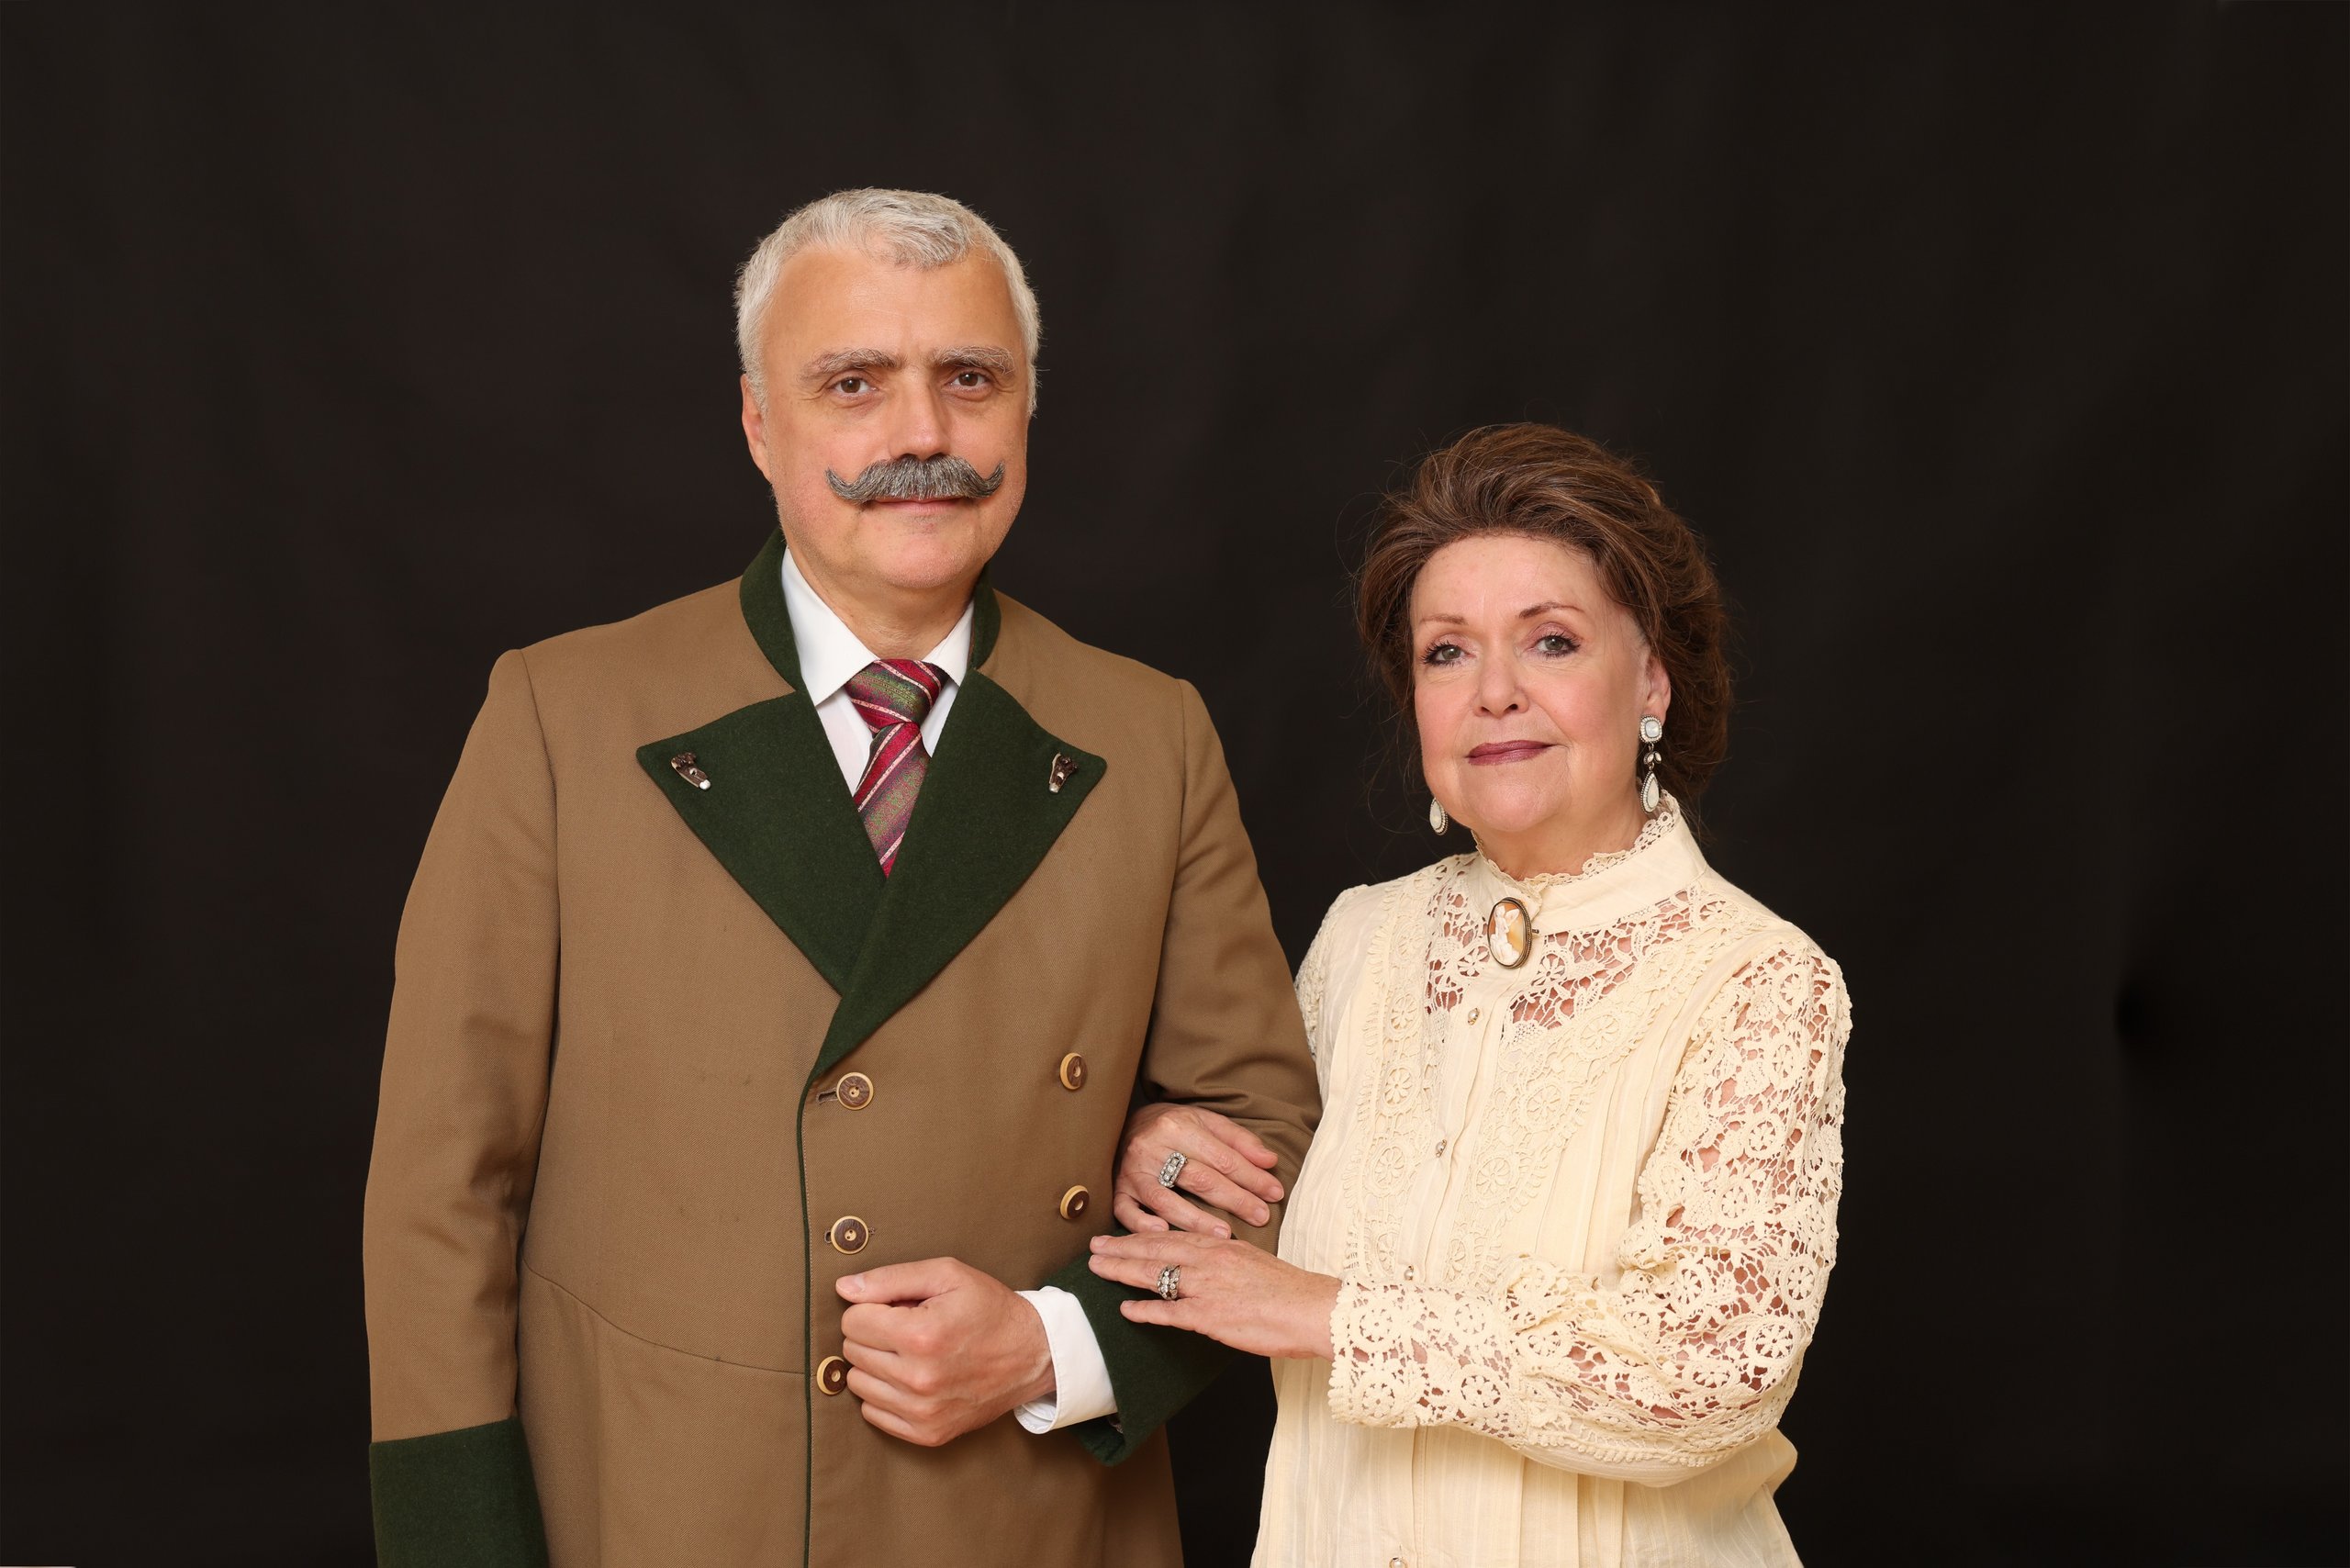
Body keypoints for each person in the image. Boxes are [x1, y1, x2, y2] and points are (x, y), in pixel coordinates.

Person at [361, 188, 1320, 1568]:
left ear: (1027, 409)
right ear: (761, 424)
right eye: (854, 384)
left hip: (1030, 1519)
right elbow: (441, 1189)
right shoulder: (561, 717)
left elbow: (1261, 1133)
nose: (921, 434)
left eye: (969, 378)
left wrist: (1056, 1343)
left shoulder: (1151, 734)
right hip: (665, 1511)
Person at [1096, 424, 1852, 1567]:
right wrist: (1159, 1147)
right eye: (1447, 652)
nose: (1494, 693)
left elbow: (1706, 1373)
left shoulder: (1753, 977)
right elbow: (1253, 1215)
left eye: (1551, 641)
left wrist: (1331, 1316)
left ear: (1650, 680)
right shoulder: (1362, 939)